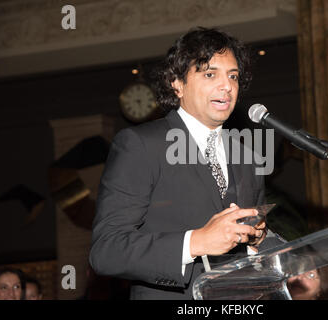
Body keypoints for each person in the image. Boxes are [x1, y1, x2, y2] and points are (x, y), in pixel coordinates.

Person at [90, 27, 271, 299]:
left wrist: (261, 239)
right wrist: (195, 242)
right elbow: (106, 251)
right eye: (210, 74)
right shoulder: (141, 145)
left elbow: (253, 241)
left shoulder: (248, 157)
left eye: (233, 76)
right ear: (177, 83)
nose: (227, 86)